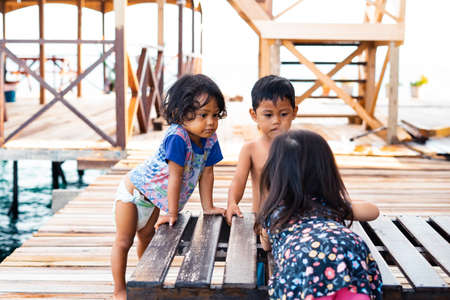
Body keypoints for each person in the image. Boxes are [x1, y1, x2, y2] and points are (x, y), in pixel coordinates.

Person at [111, 74, 227, 300]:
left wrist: (208, 207)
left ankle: (146, 280)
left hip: (155, 199)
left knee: (147, 239)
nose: (211, 122)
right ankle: (119, 289)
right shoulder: (177, 137)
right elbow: (175, 176)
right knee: (123, 241)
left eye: (215, 115)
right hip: (134, 194)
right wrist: (172, 212)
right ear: (181, 114)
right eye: (203, 115)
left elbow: (207, 173)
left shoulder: (210, 139)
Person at [256, 130, 382, 300]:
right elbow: (373, 211)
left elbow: (266, 246)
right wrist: (341, 203)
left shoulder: (275, 210)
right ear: (325, 171)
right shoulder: (330, 204)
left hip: (303, 260)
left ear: (276, 172)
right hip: (348, 248)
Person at [226, 75, 298, 224]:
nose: (276, 121)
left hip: (295, 220)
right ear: (254, 115)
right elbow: (238, 181)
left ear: (294, 112)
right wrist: (232, 203)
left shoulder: (300, 147)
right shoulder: (251, 149)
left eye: (284, 114)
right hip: (263, 220)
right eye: (268, 115)